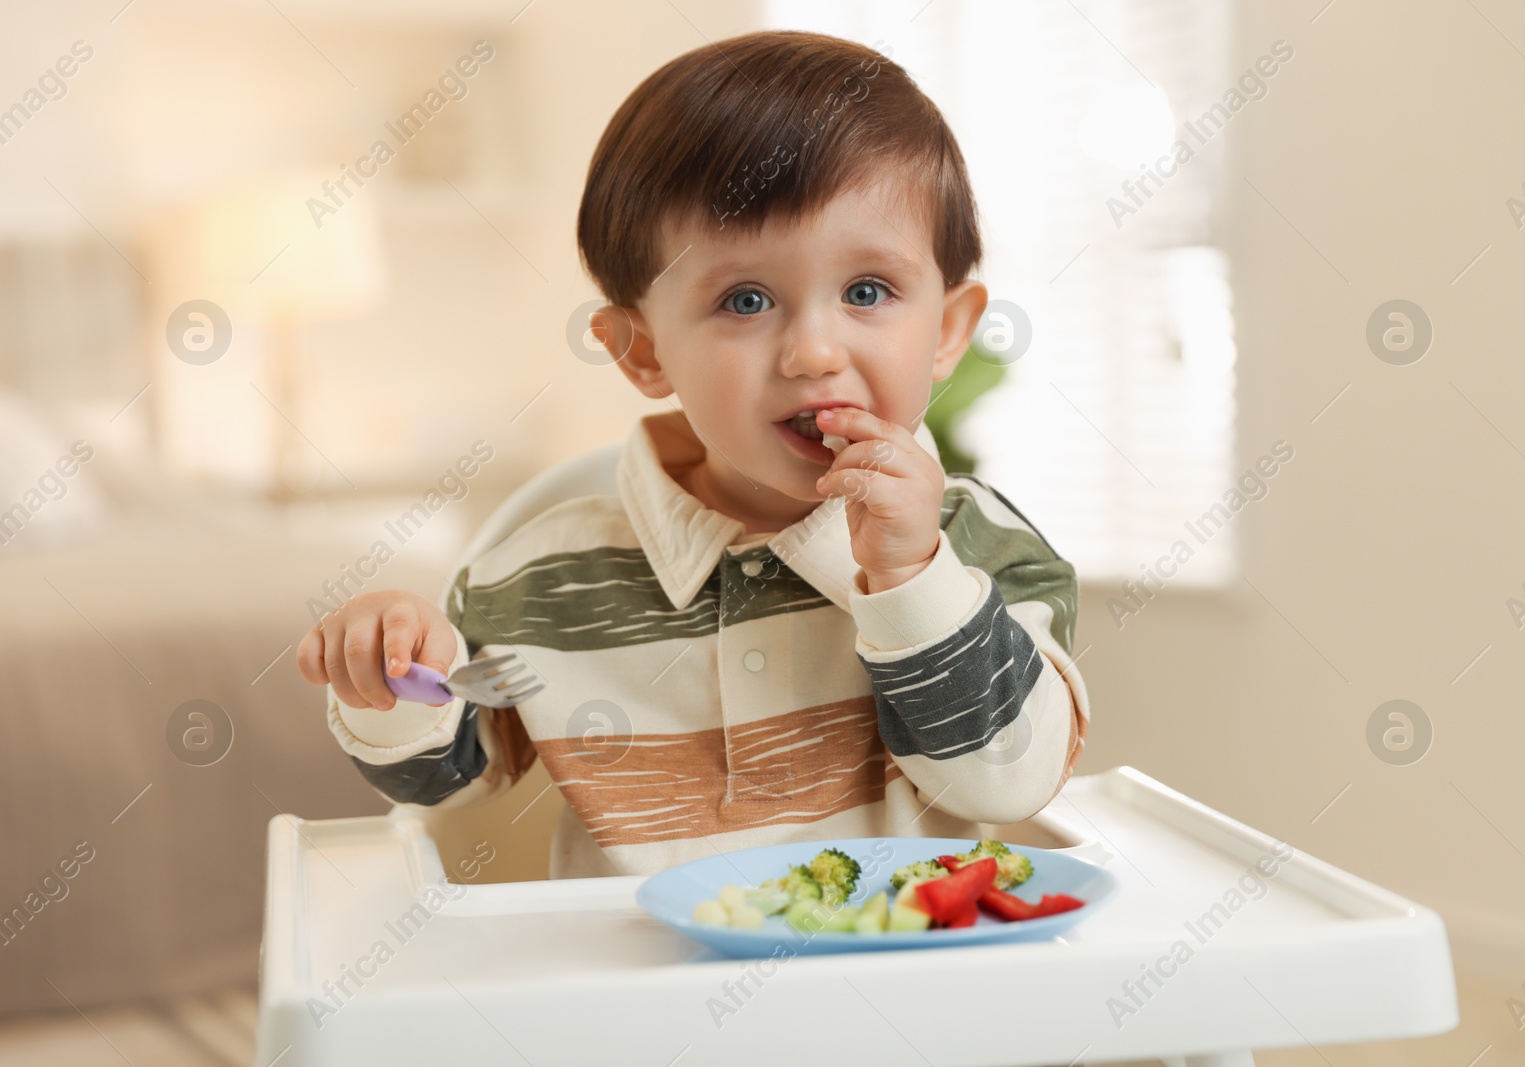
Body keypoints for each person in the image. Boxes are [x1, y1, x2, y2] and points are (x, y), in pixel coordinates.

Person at [296, 30, 1090, 879]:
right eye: (745, 299)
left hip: (908, 991)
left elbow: (1009, 781)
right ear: (643, 351)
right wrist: (393, 676)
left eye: (868, 291)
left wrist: (911, 574)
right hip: (640, 1000)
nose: (815, 351)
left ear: (947, 331)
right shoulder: (540, 578)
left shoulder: (974, 544)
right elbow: (447, 782)